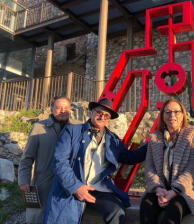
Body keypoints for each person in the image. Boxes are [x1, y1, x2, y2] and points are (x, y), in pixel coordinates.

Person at [42, 98, 147, 224]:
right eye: (99, 113)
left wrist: (151, 145)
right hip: (71, 188)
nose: (102, 117)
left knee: (117, 211)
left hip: (98, 190)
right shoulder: (72, 131)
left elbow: (130, 157)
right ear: (92, 111)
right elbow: (60, 162)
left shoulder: (113, 139)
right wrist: (76, 187)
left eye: (107, 115)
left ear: (109, 119)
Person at [140, 99, 194, 224]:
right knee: (146, 207)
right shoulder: (154, 138)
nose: (172, 115)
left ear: (183, 115)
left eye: (176, 112)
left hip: (187, 188)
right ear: (162, 116)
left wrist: (176, 190)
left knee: (173, 211)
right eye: (167, 112)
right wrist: (158, 189)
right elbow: (149, 167)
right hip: (161, 188)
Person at [18, 96, 81, 224]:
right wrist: (23, 180)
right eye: (59, 108)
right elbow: (27, 157)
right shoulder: (38, 128)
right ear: (52, 110)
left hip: (70, 182)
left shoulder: (79, 127)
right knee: (39, 217)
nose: (63, 110)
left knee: (65, 216)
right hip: (44, 181)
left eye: (66, 108)